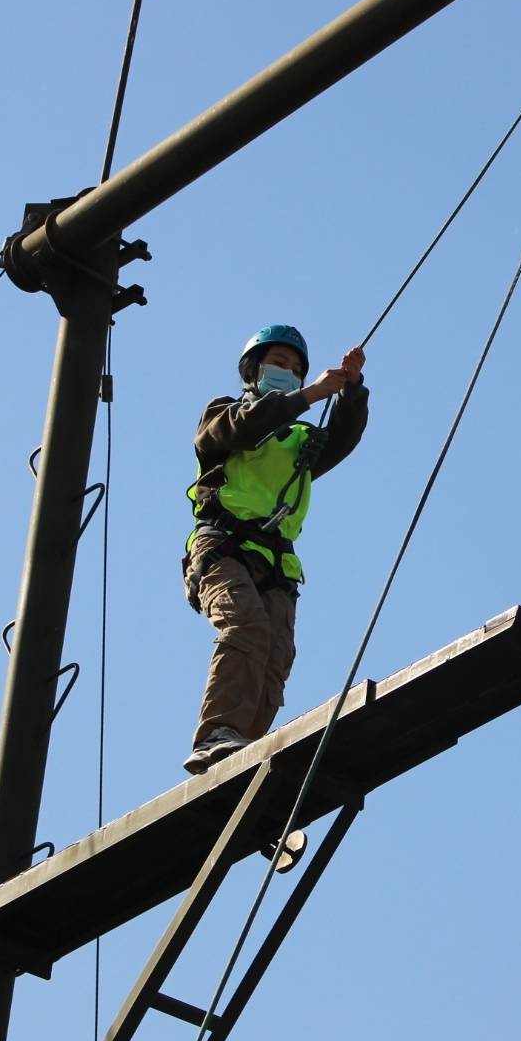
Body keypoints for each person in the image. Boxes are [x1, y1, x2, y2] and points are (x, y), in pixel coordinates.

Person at [182, 324, 368, 773]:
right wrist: (310, 396)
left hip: (277, 560)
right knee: (245, 626)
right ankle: (217, 734)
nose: (287, 373)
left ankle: (246, 745)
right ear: (253, 370)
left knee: (276, 652)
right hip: (223, 546)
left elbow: (343, 438)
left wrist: (351, 391)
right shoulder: (225, 413)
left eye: (295, 369)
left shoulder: (299, 439)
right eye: (278, 364)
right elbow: (240, 431)